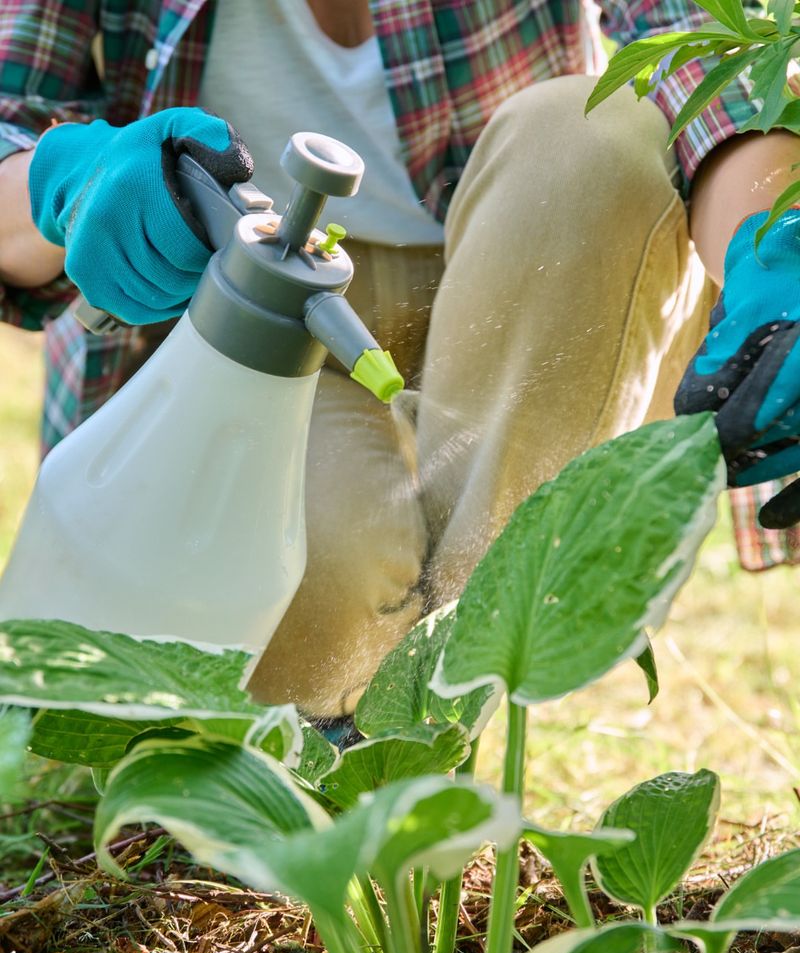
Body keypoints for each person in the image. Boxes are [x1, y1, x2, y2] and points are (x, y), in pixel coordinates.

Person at [1, 0, 799, 722]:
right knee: (317, 561)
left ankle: (448, 695)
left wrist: (773, 256)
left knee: (599, 129)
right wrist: (64, 182)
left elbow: (705, 45)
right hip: (254, 326)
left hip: (535, 283)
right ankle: (346, 733)